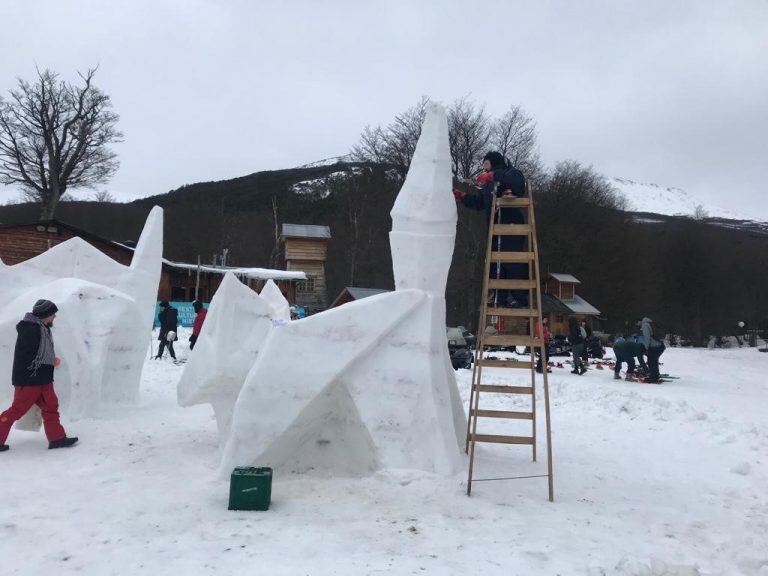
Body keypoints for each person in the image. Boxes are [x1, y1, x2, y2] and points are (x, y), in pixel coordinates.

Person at [0, 300, 78, 452]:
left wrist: (49, 361)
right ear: (45, 315)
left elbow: (40, 353)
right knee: (17, 410)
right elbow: (27, 355)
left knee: (51, 406)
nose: (54, 317)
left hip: (43, 378)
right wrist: (49, 361)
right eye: (52, 314)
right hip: (29, 379)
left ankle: (57, 438)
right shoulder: (30, 329)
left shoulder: (42, 328)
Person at [454, 151, 529, 308]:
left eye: (486, 164)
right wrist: (462, 197)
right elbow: (480, 202)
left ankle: (518, 297)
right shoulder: (489, 184)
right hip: (494, 226)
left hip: (512, 225)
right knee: (496, 263)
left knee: (513, 261)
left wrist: (493, 175)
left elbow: (518, 184)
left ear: (493, 162)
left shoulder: (511, 172)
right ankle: (499, 297)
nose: (484, 168)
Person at [640, 317, 665, 383]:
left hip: (653, 346)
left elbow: (647, 338)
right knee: (654, 361)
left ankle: (653, 378)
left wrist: (646, 348)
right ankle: (655, 376)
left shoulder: (645, 325)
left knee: (651, 362)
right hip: (659, 345)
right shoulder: (651, 323)